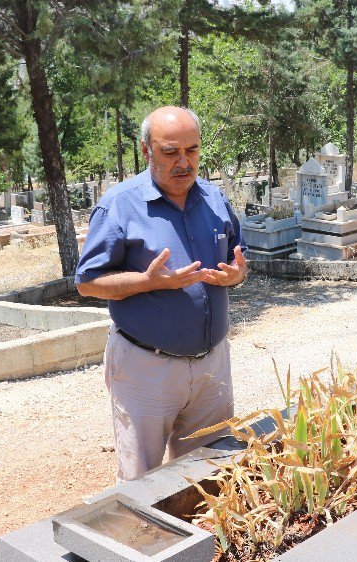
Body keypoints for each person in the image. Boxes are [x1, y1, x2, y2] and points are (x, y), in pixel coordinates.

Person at [75, 106, 247, 480]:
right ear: (146, 150)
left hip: (212, 367)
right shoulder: (120, 205)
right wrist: (149, 281)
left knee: (213, 476)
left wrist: (236, 275)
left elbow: (239, 257)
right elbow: (87, 282)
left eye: (192, 150)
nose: (183, 162)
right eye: (170, 152)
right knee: (142, 485)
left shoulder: (215, 199)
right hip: (145, 370)